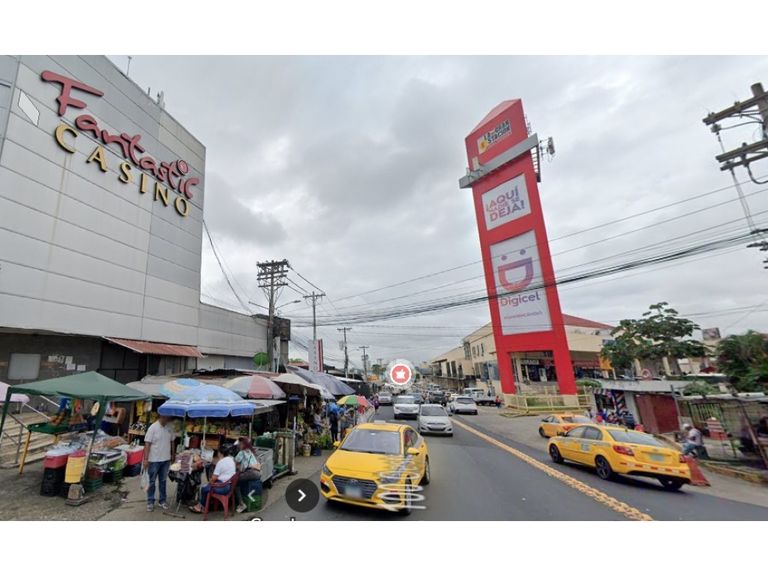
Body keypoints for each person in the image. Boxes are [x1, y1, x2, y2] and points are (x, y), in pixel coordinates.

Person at [189, 446, 237, 514]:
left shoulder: (221, 463)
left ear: (220, 453)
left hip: (223, 487)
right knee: (208, 486)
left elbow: (214, 478)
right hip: (230, 485)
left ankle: (201, 507)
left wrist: (209, 483)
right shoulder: (231, 460)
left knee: (204, 489)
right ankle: (205, 504)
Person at [143, 414, 175, 512]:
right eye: (167, 417)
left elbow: (172, 441)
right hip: (154, 460)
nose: (168, 419)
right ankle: (150, 502)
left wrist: (173, 454)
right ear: (161, 416)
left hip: (166, 459)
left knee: (163, 481)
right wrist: (146, 459)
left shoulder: (169, 428)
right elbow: (147, 444)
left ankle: (162, 501)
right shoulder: (153, 428)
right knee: (152, 482)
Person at [234, 438, 262, 514]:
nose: (239, 445)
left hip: (250, 473)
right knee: (241, 480)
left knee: (235, 482)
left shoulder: (241, 452)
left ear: (243, 444)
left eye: (240, 444)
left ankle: (241, 504)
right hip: (258, 473)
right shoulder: (251, 451)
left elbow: (235, 461)